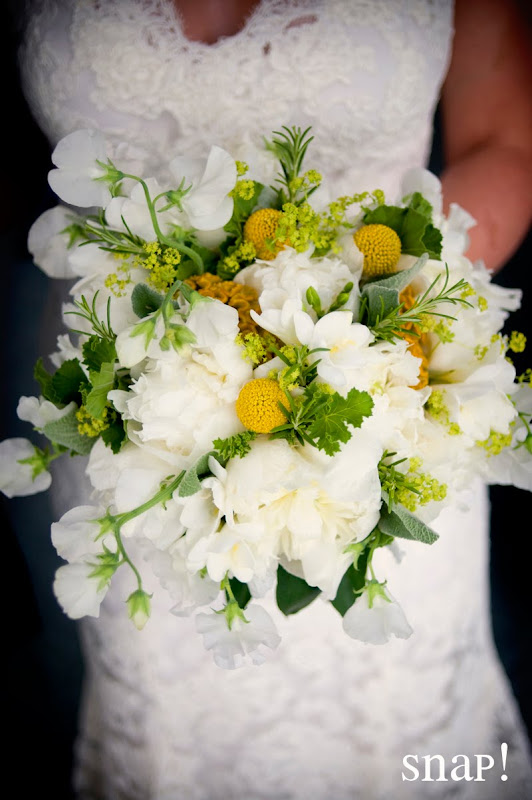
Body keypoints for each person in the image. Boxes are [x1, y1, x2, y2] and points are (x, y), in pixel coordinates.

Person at [13, 0, 532, 798]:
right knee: (176, 735)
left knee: (393, 718)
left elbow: (504, 139)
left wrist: (392, 315)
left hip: (388, 408)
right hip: (138, 435)